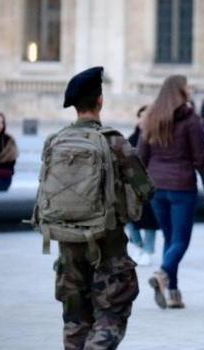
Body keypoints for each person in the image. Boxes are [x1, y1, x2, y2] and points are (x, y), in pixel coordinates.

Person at [31, 66, 154, 349]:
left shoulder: (55, 141)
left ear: (74, 106)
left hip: (67, 247)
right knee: (110, 315)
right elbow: (145, 189)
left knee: (75, 322)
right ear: (100, 100)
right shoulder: (114, 141)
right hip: (107, 246)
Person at [138, 75, 204, 309]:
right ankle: (162, 274)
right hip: (182, 186)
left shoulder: (151, 116)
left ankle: (173, 292)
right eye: (187, 86)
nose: (190, 89)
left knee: (170, 239)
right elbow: (200, 157)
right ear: (180, 90)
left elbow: (141, 156)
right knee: (180, 241)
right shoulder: (191, 119)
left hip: (156, 187)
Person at [126, 105, 159, 266]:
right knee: (130, 217)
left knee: (150, 219)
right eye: (141, 115)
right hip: (132, 184)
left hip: (151, 183)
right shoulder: (131, 138)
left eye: (146, 116)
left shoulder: (157, 138)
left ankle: (148, 249)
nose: (143, 119)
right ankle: (137, 245)